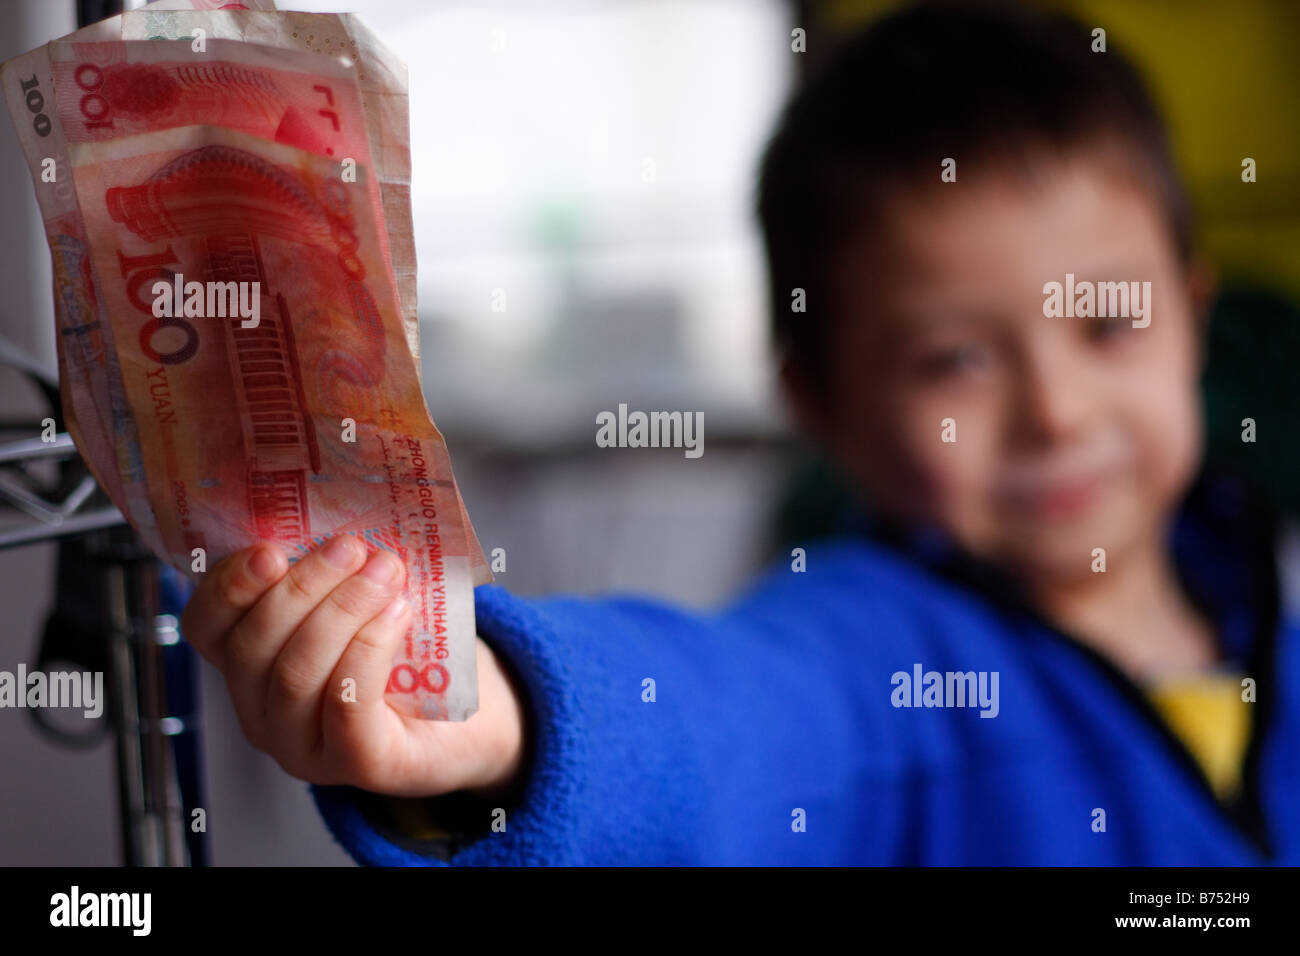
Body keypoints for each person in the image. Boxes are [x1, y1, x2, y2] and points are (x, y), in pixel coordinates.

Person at [178, 0, 1300, 864]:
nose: (1056, 411)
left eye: (1107, 325)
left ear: (1193, 317)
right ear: (820, 404)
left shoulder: (1265, 597)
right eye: (954, 358)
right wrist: (500, 718)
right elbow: (724, 717)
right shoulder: (877, 661)